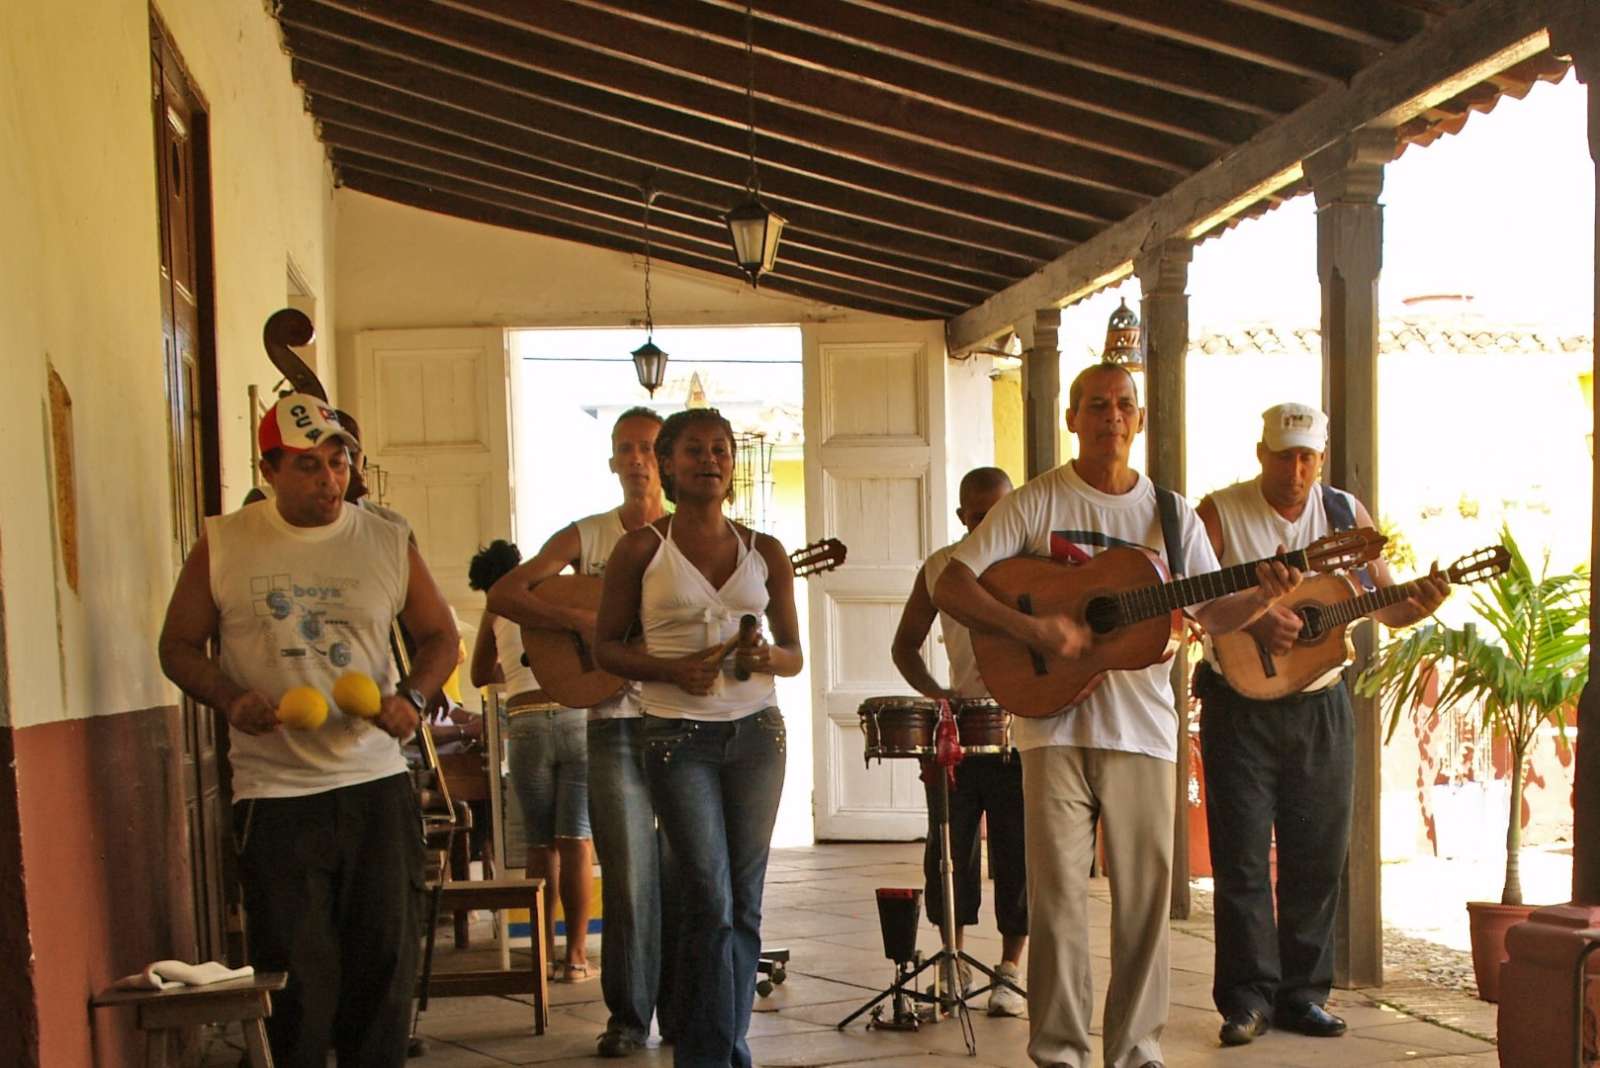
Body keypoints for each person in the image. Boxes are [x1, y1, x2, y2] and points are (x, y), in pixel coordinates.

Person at [931, 363, 1303, 1068]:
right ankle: (1062, 1053)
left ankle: (1135, 1050)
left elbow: (1209, 608)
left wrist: (1260, 598)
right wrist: (1037, 631)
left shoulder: (1170, 514)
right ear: (1074, 418)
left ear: (1137, 420)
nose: (1111, 415)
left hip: (1143, 727)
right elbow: (953, 580)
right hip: (1050, 723)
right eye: (1096, 404)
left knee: (1143, 903)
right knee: (1058, 900)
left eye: (1124, 404)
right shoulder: (1034, 501)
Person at [158, 394, 459, 1068]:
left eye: (339, 461)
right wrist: (231, 699)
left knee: (382, 972)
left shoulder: (387, 538)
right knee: (296, 981)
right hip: (275, 795)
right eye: (308, 466)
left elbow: (440, 636)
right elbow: (177, 646)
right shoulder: (225, 542)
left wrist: (413, 696)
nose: (330, 479)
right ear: (269, 470)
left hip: (375, 784)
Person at [1193, 402, 1448, 1047]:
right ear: (1261, 453)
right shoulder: (1221, 512)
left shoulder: (1344, 515)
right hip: (1239, 704)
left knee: (1318, 853)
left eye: (1307, 457)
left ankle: (1304, 994)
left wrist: (1415, 605)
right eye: (1284, 455)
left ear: (1322, 458)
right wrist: (1253, 617)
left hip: (1322, 702)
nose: (1296, 469)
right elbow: (1190, 599)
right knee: (1242, 856)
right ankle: (1247, 999)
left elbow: (1380, 601)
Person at [594, 407, 802, 1068]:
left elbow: (794, 652)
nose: (709, 460)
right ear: (666, 462)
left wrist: (767, 657)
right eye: (693, 451)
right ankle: (713, 1054)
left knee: (744, 903)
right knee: (708, 898)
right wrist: (668, 669)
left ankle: (722, 1047)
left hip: (756, 737)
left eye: (720, 449)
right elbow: (606, 649)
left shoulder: (764, 550)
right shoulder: (640, 550)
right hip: (675, 739)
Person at [487, 407, 678, 1056]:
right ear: (611, 461)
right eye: (624, 448)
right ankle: (628, 1016)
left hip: (683, 726)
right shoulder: (588, 536)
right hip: (613, 727)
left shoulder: (696, 538)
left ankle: (682, 1006)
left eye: (648, 448)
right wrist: (577, 625)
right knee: (624, 876)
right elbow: (507, 595)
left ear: (669, 459)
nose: (636, 460)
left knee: (686, 872)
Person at [890, 466, 1027, 1017]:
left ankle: (1010, 970)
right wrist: (939, 694)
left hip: (1024, 731)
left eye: (996, 515)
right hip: (961, 729)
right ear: (961, 518)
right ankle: (953, 961)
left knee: (1019, 855)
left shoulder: (1034, 565)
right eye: (975, 518)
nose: (985, 526)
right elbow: (905, 647)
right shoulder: (941, 569)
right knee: (949, 850)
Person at [470, 538, 593, 981]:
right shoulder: (551, 597)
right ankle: (576, 958)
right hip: (575, 718)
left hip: (525, 723)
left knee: (540, 847)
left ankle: (540, 959)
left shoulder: (495, 609)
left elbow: (480, 675)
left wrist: (514, 669)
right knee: (576, 841)